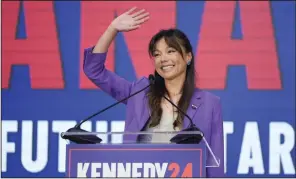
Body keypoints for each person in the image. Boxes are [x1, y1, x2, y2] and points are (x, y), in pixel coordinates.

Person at [83, 7, 224, 177]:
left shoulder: (209, 104)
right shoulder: (140, 92)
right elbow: (94, 71)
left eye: (171, 51)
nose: (163, 59)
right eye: (157, 54)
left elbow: (214, 162)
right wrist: (111, 29)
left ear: (188, 57)